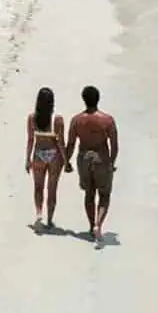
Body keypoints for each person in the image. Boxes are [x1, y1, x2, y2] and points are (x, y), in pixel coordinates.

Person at [65, 86, 119, 242]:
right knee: (104, 194)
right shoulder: (107, 120)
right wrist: (111, 163)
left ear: (84, 99)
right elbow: (114, 144)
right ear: (98, 99)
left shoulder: (77, 120)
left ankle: (90, 226)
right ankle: (98, 225)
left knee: (89, 193)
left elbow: (71, 144)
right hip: (101, 158)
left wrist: (66, 161)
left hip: (84, 158)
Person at [24, 87, 68, 228]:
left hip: (38, 154)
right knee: (52, 189)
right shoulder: (57, 119)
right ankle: (50, 219)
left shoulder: (32, 118)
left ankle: (39, 214)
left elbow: (30, 139)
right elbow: (61, 142)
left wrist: (27, 159)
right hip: (54, 155)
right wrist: (66, 160)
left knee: (38, 187)